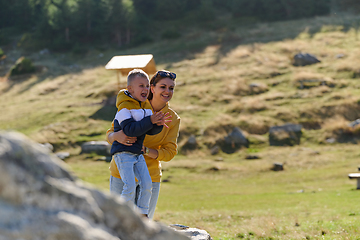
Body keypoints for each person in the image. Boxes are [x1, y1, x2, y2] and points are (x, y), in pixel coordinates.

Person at [107, 70, 180, 219]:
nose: (167, 91)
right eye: (163, 87)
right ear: (152, 88)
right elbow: (110, 134)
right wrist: (117, 136)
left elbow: (170, 152)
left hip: (150, 176)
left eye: (171, 88)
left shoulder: (172, 118)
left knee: (143, 226)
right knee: (118, 223)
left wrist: (146, 150)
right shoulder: (133, 104)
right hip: (121, 172)